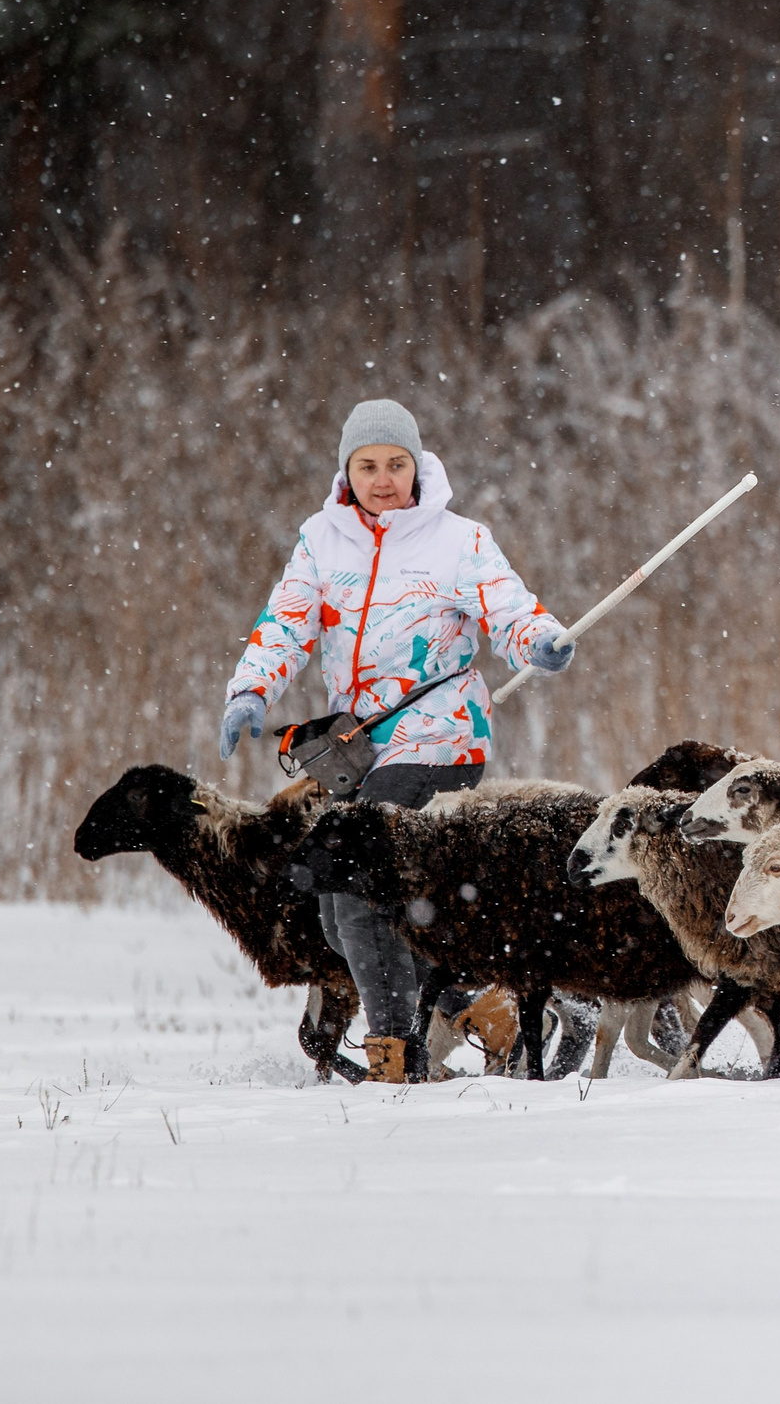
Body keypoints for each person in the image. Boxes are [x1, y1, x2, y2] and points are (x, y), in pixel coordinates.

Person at [218, 398, 575, 1083]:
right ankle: (490, 1012)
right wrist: (249, 691)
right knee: (334, 915)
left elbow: (509, 608)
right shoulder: (321, 541)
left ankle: (395, 1055)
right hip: (361, 747)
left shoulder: (459, 541)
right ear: (347, 471)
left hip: (439, 737)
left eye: (396, 464)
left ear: (419, 467)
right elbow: (286, 623)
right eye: (368, 465)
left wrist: (541, 640)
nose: (383, 478)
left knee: (354, 883)